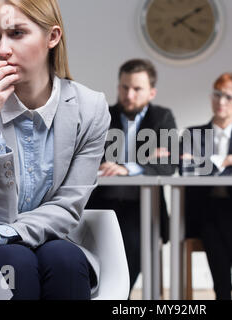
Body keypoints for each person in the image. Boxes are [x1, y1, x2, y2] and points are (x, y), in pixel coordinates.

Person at [0, 0, 110, 300]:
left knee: (63, 259)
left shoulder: (90, 108)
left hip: (54, 238)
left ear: (52, 37)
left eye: (16, 33)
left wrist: (7, 233)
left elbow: (68, 205)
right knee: (15, 260)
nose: (2, 49)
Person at [87, 59, 177, 294]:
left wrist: (129, 166)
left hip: (142, 207)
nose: (129, 94)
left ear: (151, 92)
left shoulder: (162, 118)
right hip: (101, 201)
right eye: (124, 87)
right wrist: (147, 158)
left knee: (132, 250)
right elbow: (88, 158)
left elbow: (169, 165)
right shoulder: (102, 115)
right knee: (91, 257)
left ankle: (119, 298)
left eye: (137, 89)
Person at [182, 73, 232, 300]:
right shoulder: (193, 133)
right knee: (213, 216)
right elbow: (186, 168)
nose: (220, 102)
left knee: (220, 216)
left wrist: (210, 163)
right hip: (200, 213)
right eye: (217, 95)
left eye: (228, 97)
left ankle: (223, 295)